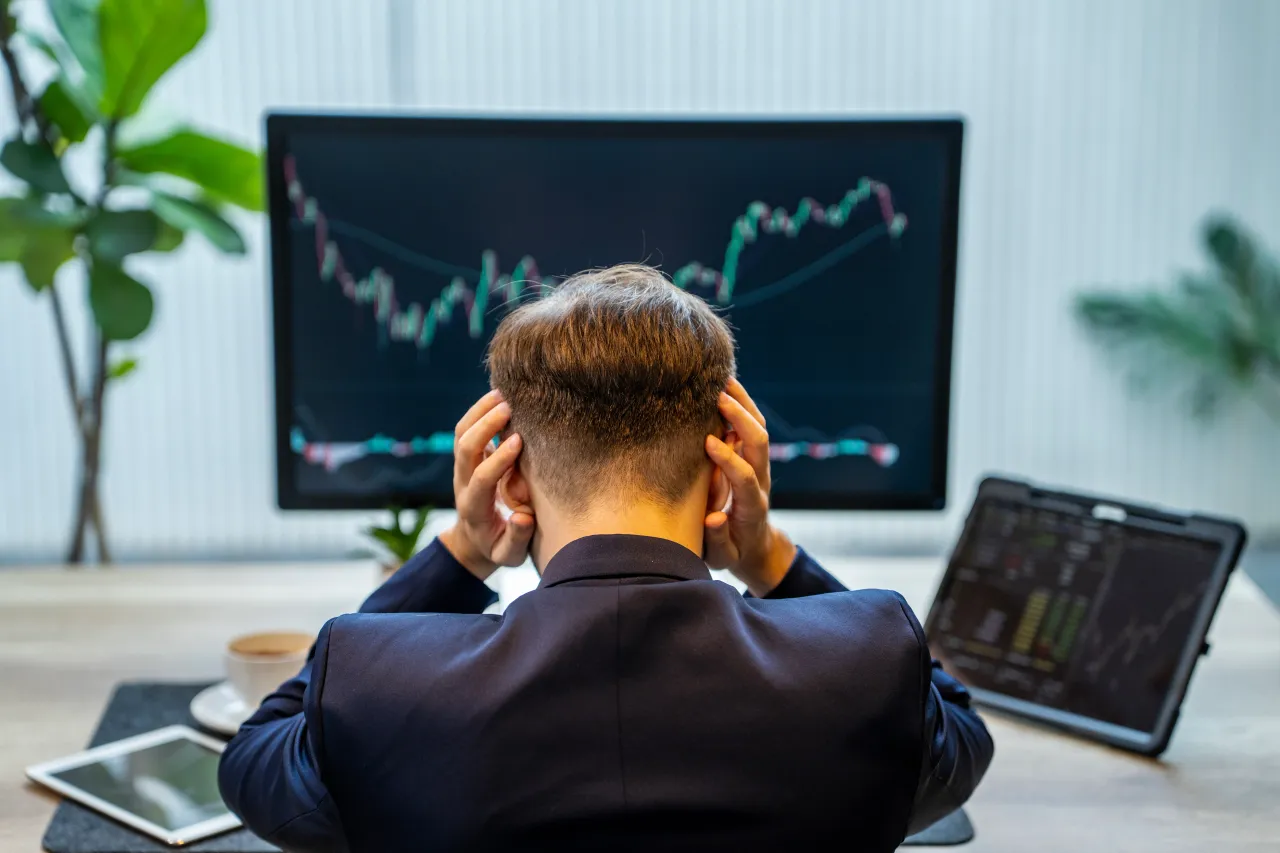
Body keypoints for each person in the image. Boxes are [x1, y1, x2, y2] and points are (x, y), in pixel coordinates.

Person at [218, 264, 993, 852]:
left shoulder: (374, 680)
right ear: (729, 466)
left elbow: (254, 760)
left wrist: (463, 552)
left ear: (507, 474)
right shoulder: (867, 664)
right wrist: (768, 556)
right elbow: (958, 729)